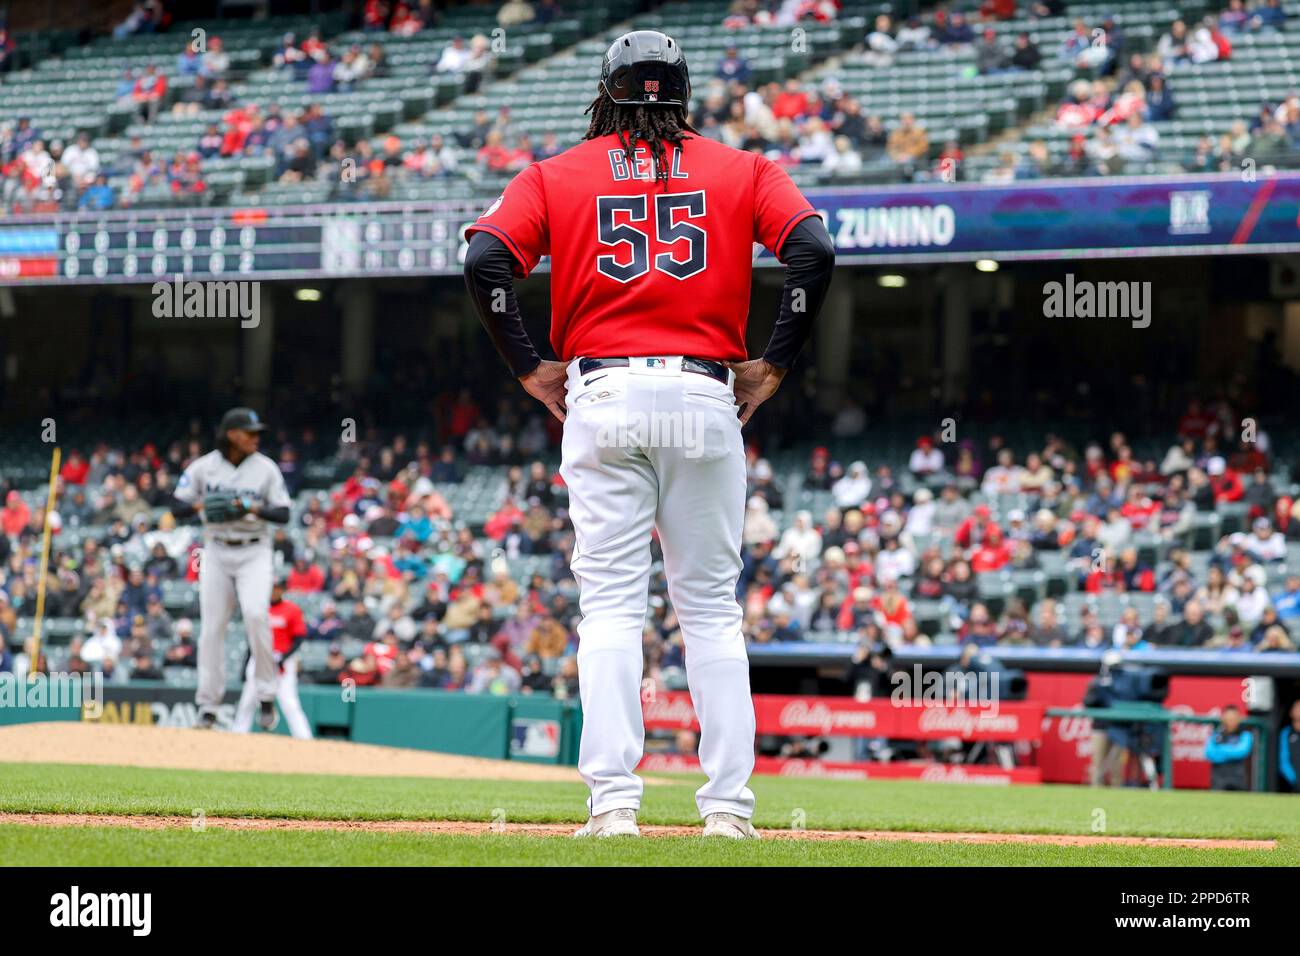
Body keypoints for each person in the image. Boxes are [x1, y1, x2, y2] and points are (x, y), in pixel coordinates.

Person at [463, 30, 834, 839]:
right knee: (709, 611)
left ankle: (613, 805)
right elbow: (813, 251)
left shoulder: (557, 173)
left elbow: (486, 263)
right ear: (682, 92)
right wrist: (773, 362)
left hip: (606, 391)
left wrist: (529, 366)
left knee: (609, 610)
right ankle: (730, 812)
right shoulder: (745, 169)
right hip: (704, 394)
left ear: (607, 93)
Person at [172, 408, 293, 729]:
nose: (255, 438)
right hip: (216, 549)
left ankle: (266, 695)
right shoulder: (204, 467)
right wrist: (202, 504)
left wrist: (251, 506)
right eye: (249, 432)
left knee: (256, 614)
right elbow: (176, 505)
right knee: (212, 629)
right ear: (231, 435)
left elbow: (283, 514)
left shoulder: (265, 469)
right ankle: (208, 707)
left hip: (255, 549)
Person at [233, 577, 312, 738]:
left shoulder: (292, 609)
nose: (274, 591)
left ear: (282, 590)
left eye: (277, 588)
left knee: (289, 703)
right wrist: (245, 665)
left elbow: (299, 638)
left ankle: (304, 739)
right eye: (272, 587)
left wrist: (284, 657)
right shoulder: (259, 609)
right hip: (259, 659)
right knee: (247, 701)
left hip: (282, 662)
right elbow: (251, 640)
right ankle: (237, 736)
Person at [1205, 703, 1253, 791]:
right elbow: (1210, 753)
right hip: (1218, 780)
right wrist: (1231, 750)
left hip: (1238, 779)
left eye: (1233, 717)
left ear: (1239, 718)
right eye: (1228, 717)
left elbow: (1241, 752)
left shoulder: (1245, 735)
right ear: (1223, 718)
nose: (1231, 720)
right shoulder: (1216, 735)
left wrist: (1221, 750)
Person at [1280, 700, 1300, 793]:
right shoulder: (1286, 733)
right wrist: (1294, 780)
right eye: (1297, 708)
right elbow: (1283, 761)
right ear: (1291, 712)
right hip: (1294, 785)